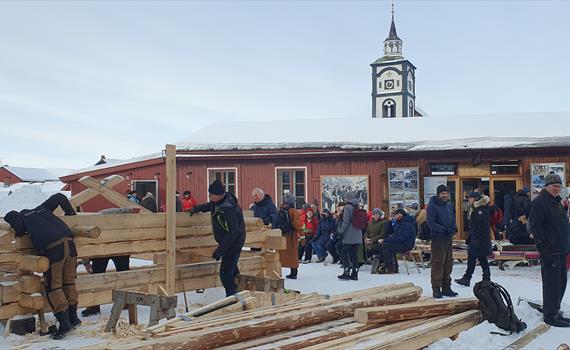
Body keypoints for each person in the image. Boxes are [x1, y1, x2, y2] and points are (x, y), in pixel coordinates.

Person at [4, 194, 80, 340]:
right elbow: (59, 196)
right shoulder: (42, 209)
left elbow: (19, 230)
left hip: (54, 249)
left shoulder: (22, 218)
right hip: (70, 245)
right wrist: (70, 213)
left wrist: (15, 228)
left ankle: (65, 324)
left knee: (54, 286)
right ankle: (74, 318)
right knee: (69, 282)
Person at [190, 179, 246, 296]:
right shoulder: (219, 202)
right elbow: (210, 205)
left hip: (233, 242)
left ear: (218, 195)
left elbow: (232, 233)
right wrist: (196, 208)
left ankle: (231, 297)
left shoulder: (228, 208)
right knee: (231, 268)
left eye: (211, 195)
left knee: (225, 273)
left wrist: (220, 250)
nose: (210, 197)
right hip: (227, 241)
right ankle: (239, 290)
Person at [529, 173, 570, 327]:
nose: (557, 189)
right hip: (550, 251)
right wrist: (543, 249)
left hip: (560, 250)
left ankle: (555, 310)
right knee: (552, 284)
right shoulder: (540, 202)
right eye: (554, 186)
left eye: (559, 186)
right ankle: (550, 315)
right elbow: (535, 227)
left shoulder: (556, 202)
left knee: (561, 283)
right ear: (546, 186)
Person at [427, 184, 458, 299]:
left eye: (446, 193)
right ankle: (436, 288)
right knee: (437, 263)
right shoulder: (432, 206)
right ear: (438, 194)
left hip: (448, 238)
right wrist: (443, 230)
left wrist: (454, 229)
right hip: (438, 238)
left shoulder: (448, 205)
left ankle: (446, 287)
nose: (444, 195)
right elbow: (431, 222)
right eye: (442, 193)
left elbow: (452, 219)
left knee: (448, 263)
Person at [455, 192, 491, 287]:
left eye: (470, 198)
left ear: (475, 199)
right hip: (477, 239)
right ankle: (485, 278)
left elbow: (479, 227)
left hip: (479, 240)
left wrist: (476, 240)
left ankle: (468, 278)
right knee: (481, 258)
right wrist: (470, 238)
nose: (468, 200)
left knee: (473, 257)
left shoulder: (480, 210)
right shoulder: (476, 208)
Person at [378, 208, 416, 274]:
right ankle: (393, 267)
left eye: (395, 214)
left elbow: (399, 238)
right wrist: (390, 222)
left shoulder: (406, 224)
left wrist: (385, 240)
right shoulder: (399, 222)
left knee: (386, 246)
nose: (394, 216)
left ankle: (390, 268)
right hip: (402, 243)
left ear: (400, 215)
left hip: (406, 244)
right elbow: (390, 232)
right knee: (385, 244)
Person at [337, 192, 363, 281]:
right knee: (354, 254)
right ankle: (355, 274)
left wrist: (340, 232)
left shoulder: (347, 207)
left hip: (349, 234)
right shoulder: (356, 206)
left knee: (344, 253)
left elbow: (346, 222)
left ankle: (346, 272)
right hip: (358, 234)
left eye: (345, 198)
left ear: (347, 198)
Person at [279, 194, 302, 279]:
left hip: (282, 235)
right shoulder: (293, 210)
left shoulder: (281, 209)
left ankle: (278, 272)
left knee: (282, 255)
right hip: (291, 236)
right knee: (293, 255)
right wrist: (301, 232)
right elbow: (296, 223)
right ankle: (293, 273)